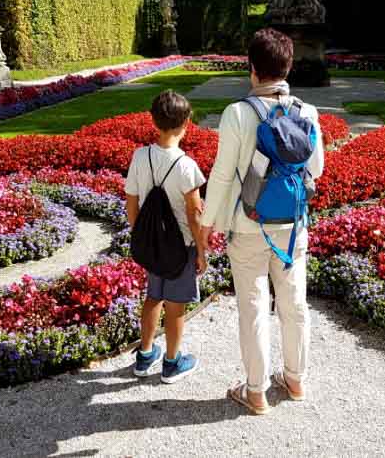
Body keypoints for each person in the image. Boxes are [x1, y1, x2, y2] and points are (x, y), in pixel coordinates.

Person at [200, 28, 325, 414]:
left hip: (249, 224)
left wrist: (208, 225)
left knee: (253, 308)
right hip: (292, 227)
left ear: (252, 69)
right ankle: (295, 379)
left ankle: (255, 392)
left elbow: (222, 176)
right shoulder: (307, 112)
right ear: (288, 67)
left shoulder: (238, 114)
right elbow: (316, 169)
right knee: (294, 305)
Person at [126, 90, 208, 383]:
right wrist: (201, 250)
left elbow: (131, 202)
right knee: (176, 306)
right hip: (180, 247)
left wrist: (141, 236)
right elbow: (194, 214)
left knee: (153, 296)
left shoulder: (140, 156)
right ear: (187, 122)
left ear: (153, 121)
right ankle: (172, 363)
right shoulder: (187, 166)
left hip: (151, 243)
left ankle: (145, 355)